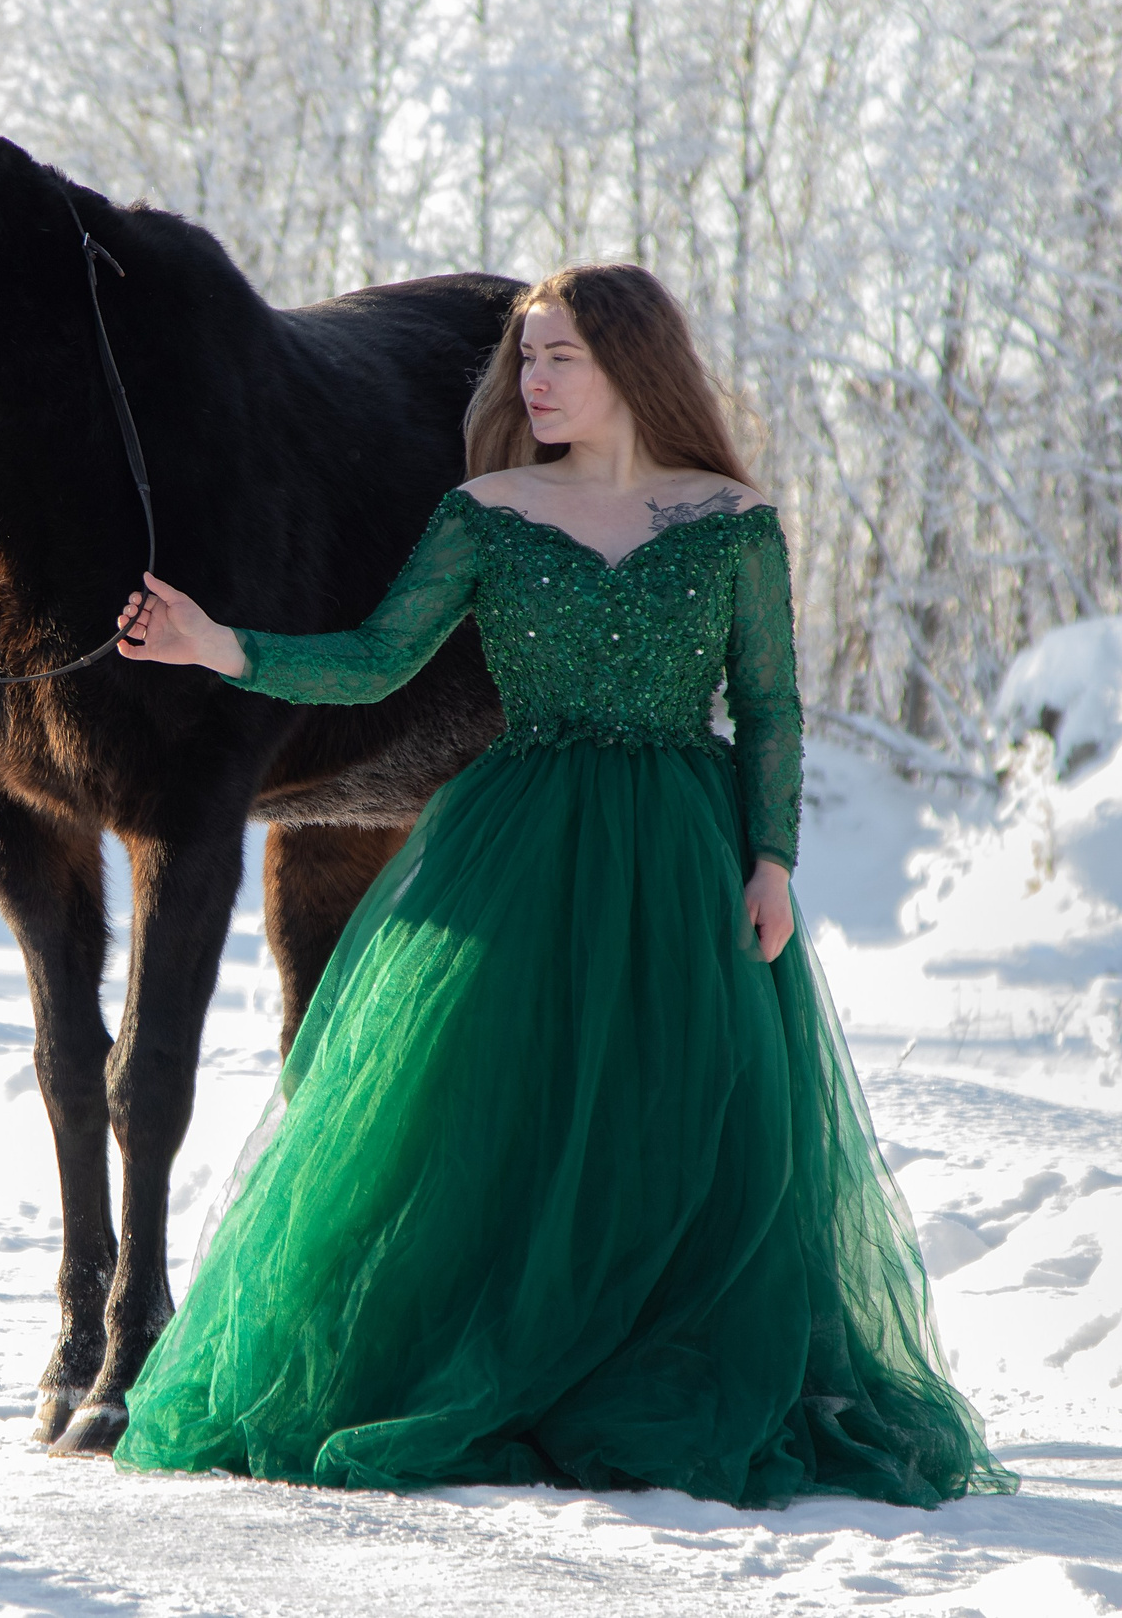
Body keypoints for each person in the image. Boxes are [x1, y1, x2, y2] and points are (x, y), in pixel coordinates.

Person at [104, 263, 1015, 1508]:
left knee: (675, 1105)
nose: (529, 381)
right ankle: (486, 1356)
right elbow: (376, 664)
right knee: (499, 1103)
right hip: (519, 842)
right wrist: (223, 646)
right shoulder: (485, 513)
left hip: (683, 848)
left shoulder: (730, 522)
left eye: (558, 358)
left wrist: (772, 862)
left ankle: (646, 1355)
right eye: (523, 358)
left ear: (634, 365)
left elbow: (768, 708)